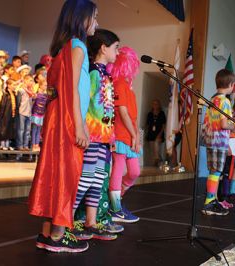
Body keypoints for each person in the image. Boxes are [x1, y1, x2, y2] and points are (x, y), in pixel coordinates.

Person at [28, 0, 98, 253]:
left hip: (58, 116)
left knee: (55, 172)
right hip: (67, 117)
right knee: (67, 173)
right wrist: (80, 126)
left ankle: (47, 233)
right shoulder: (78, 47)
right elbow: (71, 90)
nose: (97, 23)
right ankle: (58, 236)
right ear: (81, 19)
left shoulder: (63, 48)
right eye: (94, 17)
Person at [73, 29, 121, 241]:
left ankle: (90, 222)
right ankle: (66, 220)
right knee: (85, 178)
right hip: (91, 137)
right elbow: (85, 102)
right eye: (115, 48)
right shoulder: (93, 73)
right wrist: (82, 127)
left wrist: (110, 136)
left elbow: (107, 110)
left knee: (98, 179)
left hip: (103, 139)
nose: (117, 53)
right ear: (103, 48)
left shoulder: (106, 75)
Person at [107, 46, 141, 223]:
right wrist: (133, 135)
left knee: (134, 172)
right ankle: (115, 207)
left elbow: (132, 115)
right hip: (120, 134)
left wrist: (136, 135)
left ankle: (115, 200)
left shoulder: (128, 87)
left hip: (130, 134)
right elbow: (123, 112)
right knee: (118, 170)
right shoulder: (118, 83)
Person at [201, 69, 235, 216]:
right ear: (231, 85)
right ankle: (209, 203)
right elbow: (223, 124)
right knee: (216, 172)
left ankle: (212, 199)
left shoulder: (212, 99)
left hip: (210, 138)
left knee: (213, 171)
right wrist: (233, 125)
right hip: (219, 140)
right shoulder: (225, 101)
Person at [0, 79, 18, 150]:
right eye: (13, 85)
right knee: (4, 128)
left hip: (12, 113)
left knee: (9, 128)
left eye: (15, 85)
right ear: (8, 85)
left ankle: (7, 144)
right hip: (5, 114)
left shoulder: (14, 94)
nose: (15, 86)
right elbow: (3, 105)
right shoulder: (5, 94)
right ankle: (3, 144)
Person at [146, 99, 166, 166]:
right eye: (153, 104)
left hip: (159, 134)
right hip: (151, 134)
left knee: (156, 144)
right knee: (153, 151)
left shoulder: (162, 113)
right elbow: (148, 125)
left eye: (156, 104)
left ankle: (159, 159)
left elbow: (163, 126)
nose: (155, 105)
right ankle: (156, 164)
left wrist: (159, 135)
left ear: (159, 105)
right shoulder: (150, 114)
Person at [31, 80, 48, 152]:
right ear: (40, 86)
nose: (46, 87)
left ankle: (37, 144)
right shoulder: (36, 94)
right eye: (45, 85)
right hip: (35, 114)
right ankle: (33, 144)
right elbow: (32, 102)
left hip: (41, 115)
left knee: (38, 131)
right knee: (34, 130)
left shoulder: (46, 95)